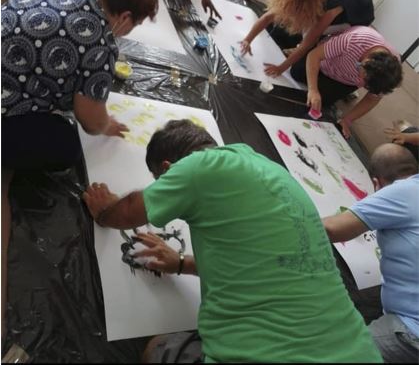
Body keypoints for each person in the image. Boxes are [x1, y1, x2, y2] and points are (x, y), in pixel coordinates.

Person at [83, 119, 382, 363]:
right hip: (357, 351)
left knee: (156, 349)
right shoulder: (269, 170)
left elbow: (125, 213)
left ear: (167, 168)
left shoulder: (197, 167)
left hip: (269, 354)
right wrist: (181, 263)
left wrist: (105, 209)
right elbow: (253, 258)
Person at [1, 0, 158, 327]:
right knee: (67, 144)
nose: (128, 33)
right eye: (133, 26)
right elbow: (89, 119)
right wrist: (106, 124)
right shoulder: (100, 46)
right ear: (124, 17)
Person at [323, 143, 419, 364]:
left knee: (341, 352)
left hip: (412, 329)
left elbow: (331, 229)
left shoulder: (401, 191)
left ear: (377, 183)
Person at [240, 0, 374, 79]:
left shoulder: (328, 12)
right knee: (278, 29)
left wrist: (280, 68)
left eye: (294, 14)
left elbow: (306, 45)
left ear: (306, 13)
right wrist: (247, 40)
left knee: (315, 45)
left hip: (359, 12)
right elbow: (267, 17)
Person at [294, 25, 402, 138]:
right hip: (325, 60)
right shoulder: (355, 40)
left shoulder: (390, 75)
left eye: (365, 84)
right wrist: (313, 89)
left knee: (323, 100)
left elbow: (372, 99)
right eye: (363, 77)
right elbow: (314, 56)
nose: (360, 81)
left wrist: (347, 120)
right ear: (366, 62)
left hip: (345, 81)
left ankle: (338, 90)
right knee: (297, 73)